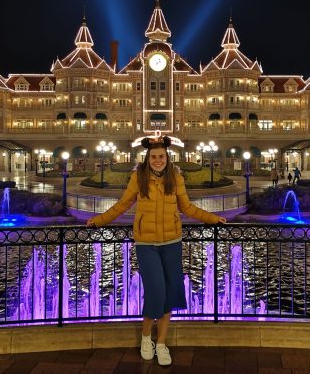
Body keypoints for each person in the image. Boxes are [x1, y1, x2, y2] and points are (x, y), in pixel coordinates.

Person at [86, 135, 226, 366]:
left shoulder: (176, 177)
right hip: (146, 244)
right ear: (147, 158)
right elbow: (122, 205)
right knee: (156, 292)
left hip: (172, 242)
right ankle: (145, 338)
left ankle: (161, 343)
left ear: (167, 157)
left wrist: (212, 219)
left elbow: (187, 207)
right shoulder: (138, 177)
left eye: (161, 156)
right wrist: (100, 220)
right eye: (154, 157)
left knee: (170, 294)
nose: (158, 160)